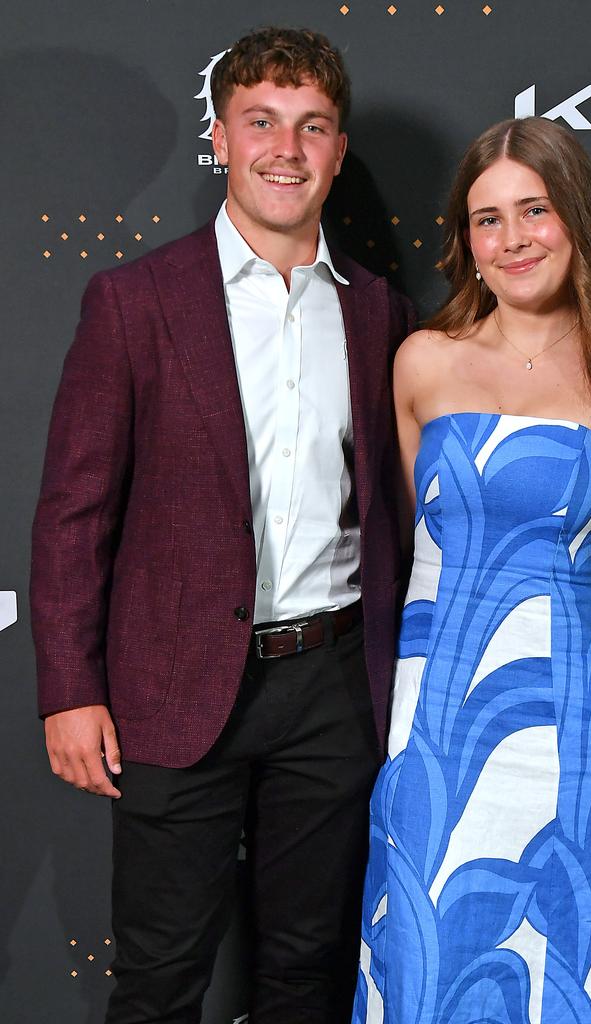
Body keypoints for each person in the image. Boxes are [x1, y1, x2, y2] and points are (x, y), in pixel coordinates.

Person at [30, 27, 415, 1024]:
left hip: (334, 686)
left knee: (307, 966)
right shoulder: (134, 302)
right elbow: (74, 511)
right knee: (160, 977)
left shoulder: (381, 314)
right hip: (173, 682)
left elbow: (410, 512)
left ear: (336, 148)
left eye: (312, 126)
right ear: (221, 138)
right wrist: (69, 690)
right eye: (262, 123)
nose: (286, 150)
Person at [354, 117, 591, 1024]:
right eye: (486, 219)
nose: (512, 239)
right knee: (431, 959)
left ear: (576, 218)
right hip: (437, 730)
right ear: (466, 241)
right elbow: (409, 546)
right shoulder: (422, 362)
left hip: (578, 728)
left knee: (570, 961)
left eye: (534, 210)